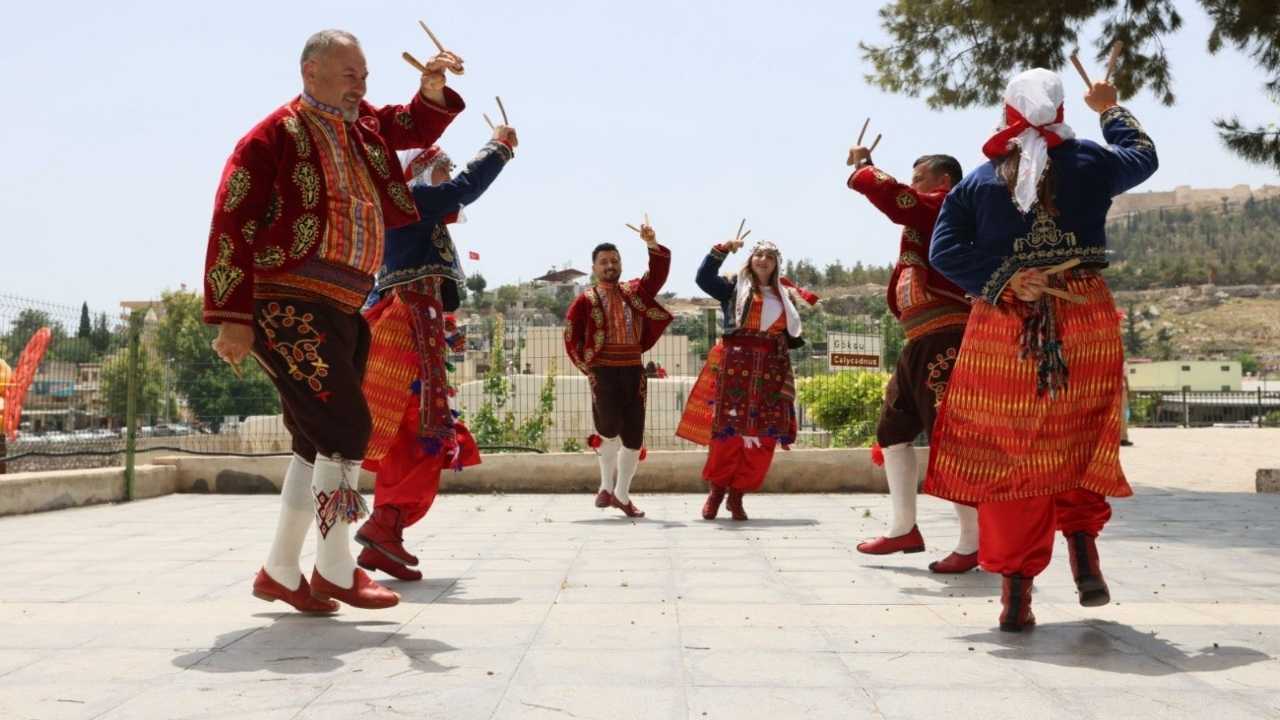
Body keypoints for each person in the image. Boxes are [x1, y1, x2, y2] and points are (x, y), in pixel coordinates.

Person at [205, 29, 466, 612]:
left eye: (365, 76)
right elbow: (231, 221)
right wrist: (232, 316)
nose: (361, 85)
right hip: (284, 302)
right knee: (347, 427)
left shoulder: (363, 126)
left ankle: (279, 568)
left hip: (344, 304)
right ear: (311, 72)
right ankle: (335, 567)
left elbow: (410, 124)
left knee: (314, 439)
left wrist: (429, 89)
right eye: (350, 74)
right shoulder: (272, 137)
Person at [925, 68, 1158, 631]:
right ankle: (1082, 547)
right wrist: (1109, 107)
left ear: (1007, 112)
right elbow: (1143, 156)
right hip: (1085, 315)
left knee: (1011, 453)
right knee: (1080, 431)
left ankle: (1016, 594)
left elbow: (943, 251)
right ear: (1058, 110)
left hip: (1007, 327)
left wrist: (1006, 278)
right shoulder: (1092, 162)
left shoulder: (978, 181)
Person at [356, 126, 518, 581]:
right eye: (439, 166)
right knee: (418, 429)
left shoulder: (413, 213)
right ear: (417, 170)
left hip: (414, 322)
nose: (447, 174)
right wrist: (498, 149)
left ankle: (387, 532)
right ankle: (384, 526)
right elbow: (465, 187)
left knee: (415, 429)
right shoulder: (411, 201)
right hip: (409, 325)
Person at [846, 146, 980, 573]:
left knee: (950, 436)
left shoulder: (946, 205)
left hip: (946, 337)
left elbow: (898, 199)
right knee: (893, 431)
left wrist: (866, 170)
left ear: (942, 181)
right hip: (918, 338)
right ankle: (904, 526)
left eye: (919, 177)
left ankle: (973, 541)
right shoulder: (929, 211)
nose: (913, 185)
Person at [677, 238, 818, 521]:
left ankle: (738, 495)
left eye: (769, 256)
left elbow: (788, 336)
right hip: (735, 368)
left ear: (776, 263)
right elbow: (703, 278)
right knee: (727, 434)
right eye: (758, 254)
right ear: (750, 260)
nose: (763, 259)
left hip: (771, 371)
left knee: (763, 436)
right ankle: (716, 492)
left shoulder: (784, 296)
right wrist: (721, 250)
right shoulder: (733, 289)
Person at [564, 222, 672, 518]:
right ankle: (604, 485)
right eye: (604, 262)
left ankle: (621, 494)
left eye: (614, 261)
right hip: (603, 371)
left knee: (634, 436)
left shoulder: (635, 292)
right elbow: (570, 336)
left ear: (621, 264)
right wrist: (588, 369)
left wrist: (651, 243)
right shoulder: (584, 300)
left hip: (634, 371)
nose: (610, 266)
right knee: (608, 429)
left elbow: (658, 274)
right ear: (594, 268)